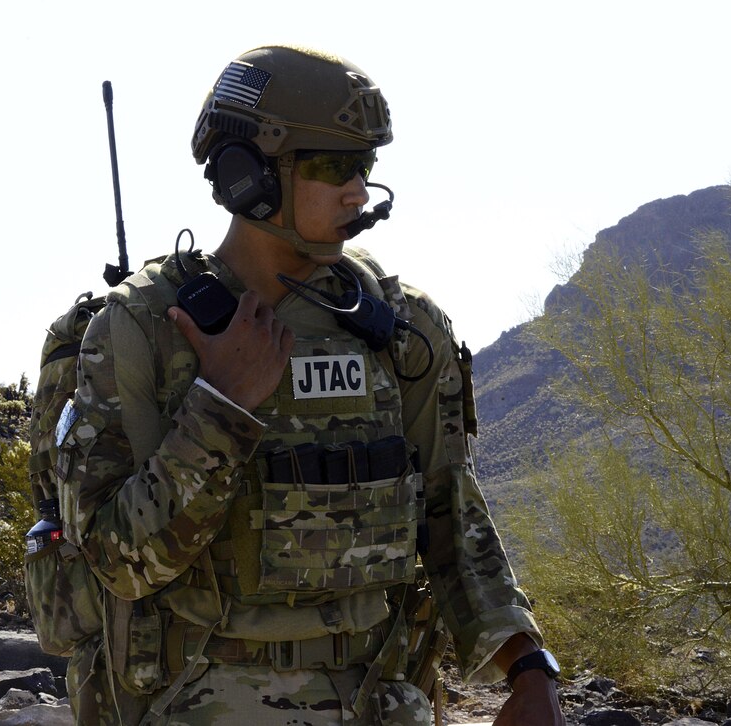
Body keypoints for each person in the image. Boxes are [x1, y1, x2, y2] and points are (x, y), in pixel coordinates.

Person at [58, 45, 565, 725]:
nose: (357, 190)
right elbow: (117, 564)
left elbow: (449, 513)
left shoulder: (404, 331)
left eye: (364, 166)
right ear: (248, 176)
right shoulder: (141, 330)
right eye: (331, 166)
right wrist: (221, 405)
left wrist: (528, 670)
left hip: (381, 705)